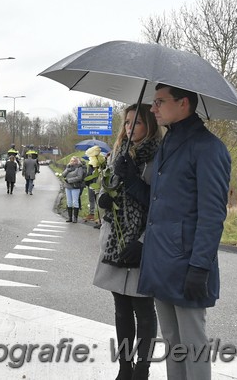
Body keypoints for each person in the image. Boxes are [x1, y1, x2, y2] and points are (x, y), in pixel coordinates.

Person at [118, 84, 231, 380]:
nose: (153, 109)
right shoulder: (168, 144)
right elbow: (158, 202)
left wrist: (200, 266)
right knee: (171, 338)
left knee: (192, 343)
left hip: (186, 262)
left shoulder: (209, 148)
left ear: (183, 104)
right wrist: (130, 178)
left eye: (159, 102)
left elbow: (213, 213)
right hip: (160, 259)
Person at [93, 103, 161, 380]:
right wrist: (103, 199)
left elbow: (159, 204)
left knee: (143, 308)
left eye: (139, 123)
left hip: (142, 241)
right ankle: (124, 367)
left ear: (151, 126)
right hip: (115, 240)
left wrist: (144, 241)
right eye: (128, 122)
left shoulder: (158, 157)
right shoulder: (116, 155)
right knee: (121, 308)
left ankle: (142, 369)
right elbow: (104, 189)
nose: (131, 129)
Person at [61, 156, 86, 222]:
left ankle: (75, 218)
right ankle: (70, 217)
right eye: (72, 161)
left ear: (77, 161)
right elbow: (63, 175)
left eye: (74, 161)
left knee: (75, 202)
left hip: (75, 186)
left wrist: (69, 180)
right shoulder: (68, 167)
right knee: (69, 202)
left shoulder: (79, 167)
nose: (73, 162)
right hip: (67, 186)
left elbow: (79, 177)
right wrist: (67, 170)